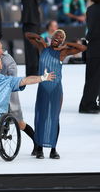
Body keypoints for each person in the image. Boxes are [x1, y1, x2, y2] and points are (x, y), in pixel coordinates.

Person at [25, 30, 86, 159]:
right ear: (51, 37)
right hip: (43, 88)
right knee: (40, 117)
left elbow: (83, 47)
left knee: (54, 118)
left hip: (56, 90)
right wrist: (41, 38)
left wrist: (65, 44)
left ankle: (53, 149)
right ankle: (39, 149)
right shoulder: (43, 47)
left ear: (62, 41)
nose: (57, 38)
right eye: (56, 36)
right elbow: (28, 35)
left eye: (61, 37)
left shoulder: (62, 53)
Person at [0, 36, 36, 148]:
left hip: (9, 98)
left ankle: (36, 141)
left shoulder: (9, 61)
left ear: (0, 46)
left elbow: (13, 81)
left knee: (20, 123)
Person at [79, 0, 100, 114]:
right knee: (94, 79)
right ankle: (86, 105)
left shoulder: (91, 9)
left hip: (93, 47)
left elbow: (90, 31)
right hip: (97, 48)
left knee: (92, 78)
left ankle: (90, 103)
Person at [21, 0, 43, 77]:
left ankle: (34, 72)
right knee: (28, 49)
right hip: (27, 21)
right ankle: (30, 72)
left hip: (32, 21)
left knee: (33, 48)